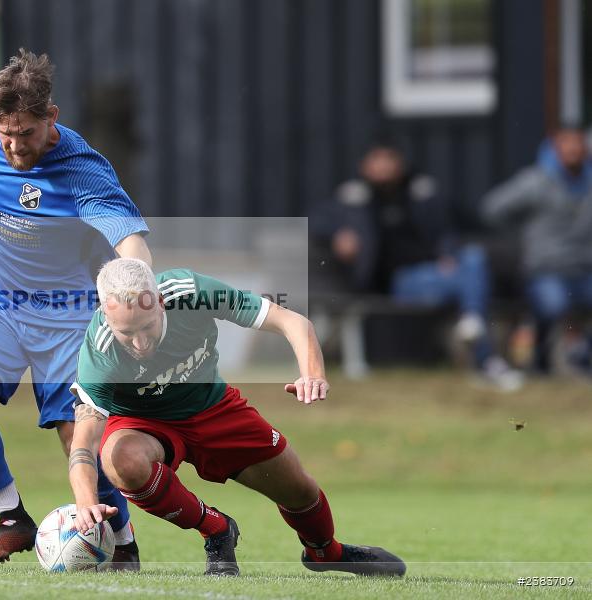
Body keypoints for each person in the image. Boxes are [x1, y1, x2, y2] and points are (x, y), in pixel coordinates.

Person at [0, 49, 152, 569]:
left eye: (27, 134)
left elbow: (130, 239)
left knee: (74, 434)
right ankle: (12, 519)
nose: (14, 146)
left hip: (67, 314)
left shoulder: (81, 169)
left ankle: (121, 540)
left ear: (51, 117)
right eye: (6, 134)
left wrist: (137, 287)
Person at [66, 258, 406, 576]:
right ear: (105, 316)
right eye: (127, 334)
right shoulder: (100, 351)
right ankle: (216, 529)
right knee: (120, 459)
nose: (139, 344)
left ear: (160, 302)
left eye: (146, 327)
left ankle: (327, 554)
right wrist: (85, 504)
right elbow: (84, 442)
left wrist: (312, 373)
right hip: (144, 424)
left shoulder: (192, 293)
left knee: (298, 490)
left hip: (213, 407)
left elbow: (292, 322)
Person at [314, 141, 522, 390]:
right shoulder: (353, 199)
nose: (383, 166)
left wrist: (447, 254)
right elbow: (317, 220)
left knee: (473, 259)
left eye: (389, 159)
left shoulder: (422, 194)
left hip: (436, 273)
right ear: (365, 166)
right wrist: (339, 234)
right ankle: (484, 350)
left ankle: (474, 324)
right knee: (472, 286)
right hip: (399, 282)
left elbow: (454, 226)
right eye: (377, 160)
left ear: (400, 163)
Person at [482, 126, 592, 375]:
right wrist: (522, 235)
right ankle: (546, 359)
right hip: (546, 269)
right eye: (567, 144)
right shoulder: (535, 182)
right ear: (555, 149)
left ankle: (582, 355)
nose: (573, 150)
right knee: (553, 303)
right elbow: (492, 208)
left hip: (586, 269)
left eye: (578, 144)